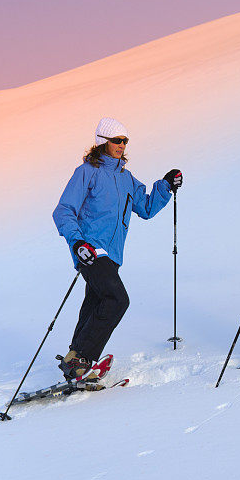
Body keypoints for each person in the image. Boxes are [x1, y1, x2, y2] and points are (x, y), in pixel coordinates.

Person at [53, 117, 182, 382]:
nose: (122, 145)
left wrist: (166, 186)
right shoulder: (87, 171)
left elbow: (145, 208)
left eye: (125, 141)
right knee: (117, 300)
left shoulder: (126, 178)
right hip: (90, 249)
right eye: (117, 141)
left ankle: (74, 359)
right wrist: (77, 243)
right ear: (102, 142)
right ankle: (83, 360)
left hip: (113, 254)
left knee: (96, 302)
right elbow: (64, 210)